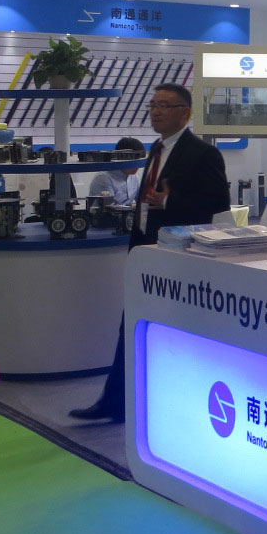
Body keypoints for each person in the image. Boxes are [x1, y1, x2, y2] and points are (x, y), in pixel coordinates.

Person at [70, 83, 229, 422]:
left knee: (173, 329)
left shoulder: (203, 153)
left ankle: (170, 404)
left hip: (179, 258)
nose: (156, 111)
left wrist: (170, 201)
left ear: (185, 112)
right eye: (153, 104)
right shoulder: (156, 149)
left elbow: (218, 203)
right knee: (132, 323)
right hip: (145, 251)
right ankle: (115, 401)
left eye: (164, 105)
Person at [86, 136, 146, 209]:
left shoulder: (134, 177)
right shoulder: (103, 178)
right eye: (135, 162)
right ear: (122, 158)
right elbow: (110, 209)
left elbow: (141, 201)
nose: (137, 167)